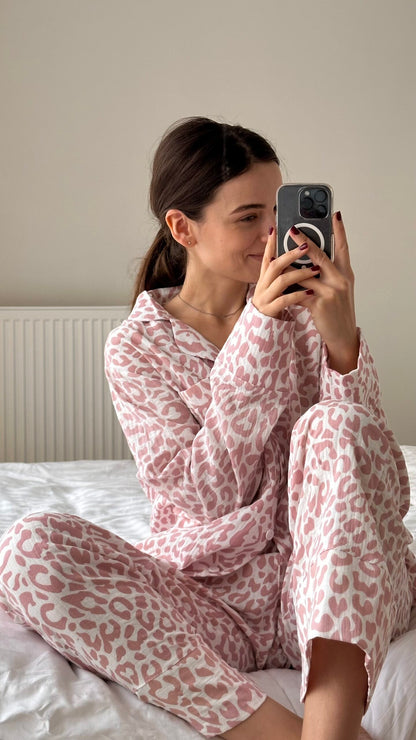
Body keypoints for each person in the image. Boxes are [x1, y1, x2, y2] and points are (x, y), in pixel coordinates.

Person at [0, 117, 415, 740]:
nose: (273, 234)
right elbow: (204, 496)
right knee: (30, 548)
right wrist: (259, 331)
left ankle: (330, 730)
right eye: (248, 216)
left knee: (334, 423)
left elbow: (380, 482)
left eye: (275, 211)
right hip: (212, 603)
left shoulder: (311, 312)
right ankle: (277, 732)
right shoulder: (137, 348)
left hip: (324, 585)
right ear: (182, 227)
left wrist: (341, 336)